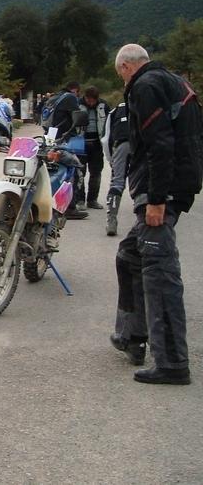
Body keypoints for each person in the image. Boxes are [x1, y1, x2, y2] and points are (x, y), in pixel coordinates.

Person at [110, 43, 202, 385]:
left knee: (160, 273)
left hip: (160, 190)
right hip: (177, 183)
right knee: (130, 254)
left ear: (125, 68)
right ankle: (131, 335)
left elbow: (160, 144)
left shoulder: (146, 87)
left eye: (119, 73)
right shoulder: (176, 82)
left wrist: (157, 200)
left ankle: (172, 363)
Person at [42, 82, 88, 220]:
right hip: (64, 139)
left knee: (54, 170)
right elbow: (78, 117)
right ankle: (70, 207)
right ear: (75, 90)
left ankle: (51, 200)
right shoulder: (70, 98)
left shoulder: (53, 98)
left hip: (49, 138)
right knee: (76, 168)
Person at [76, 86, 110, 210]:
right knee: (80, 172)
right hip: (81, 143)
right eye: (88, 99)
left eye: (92, 100)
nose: (90, 102)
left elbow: (109, 124)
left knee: (96, 173)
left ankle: (92, 200)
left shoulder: (104, 106)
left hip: (96, 143)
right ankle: (79, 200)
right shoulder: (77, 105)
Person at [101, 101, 130, 236]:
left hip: (121, 144)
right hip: (143, 146)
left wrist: (111, 160)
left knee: (117, 182)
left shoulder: (115, 110)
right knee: (144, 182)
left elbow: (106, 139)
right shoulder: (148, 104)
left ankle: (111, 220)